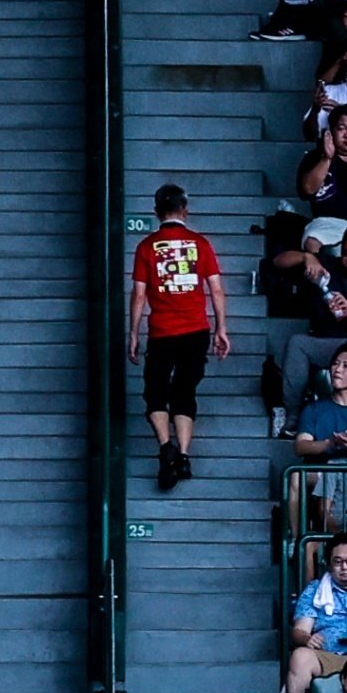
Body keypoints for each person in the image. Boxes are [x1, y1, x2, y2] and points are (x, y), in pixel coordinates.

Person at [130, 179, 228, 492]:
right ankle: (184, 455)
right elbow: (215, 289)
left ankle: (165, 447)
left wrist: (133, 332)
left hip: (162, 332)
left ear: (156, 211)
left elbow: (139, 294)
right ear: (185, 210)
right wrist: (221, 328)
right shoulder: (201, 244)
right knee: (185, 392)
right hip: (196, 330)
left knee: (155, 392)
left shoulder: (146, 247)